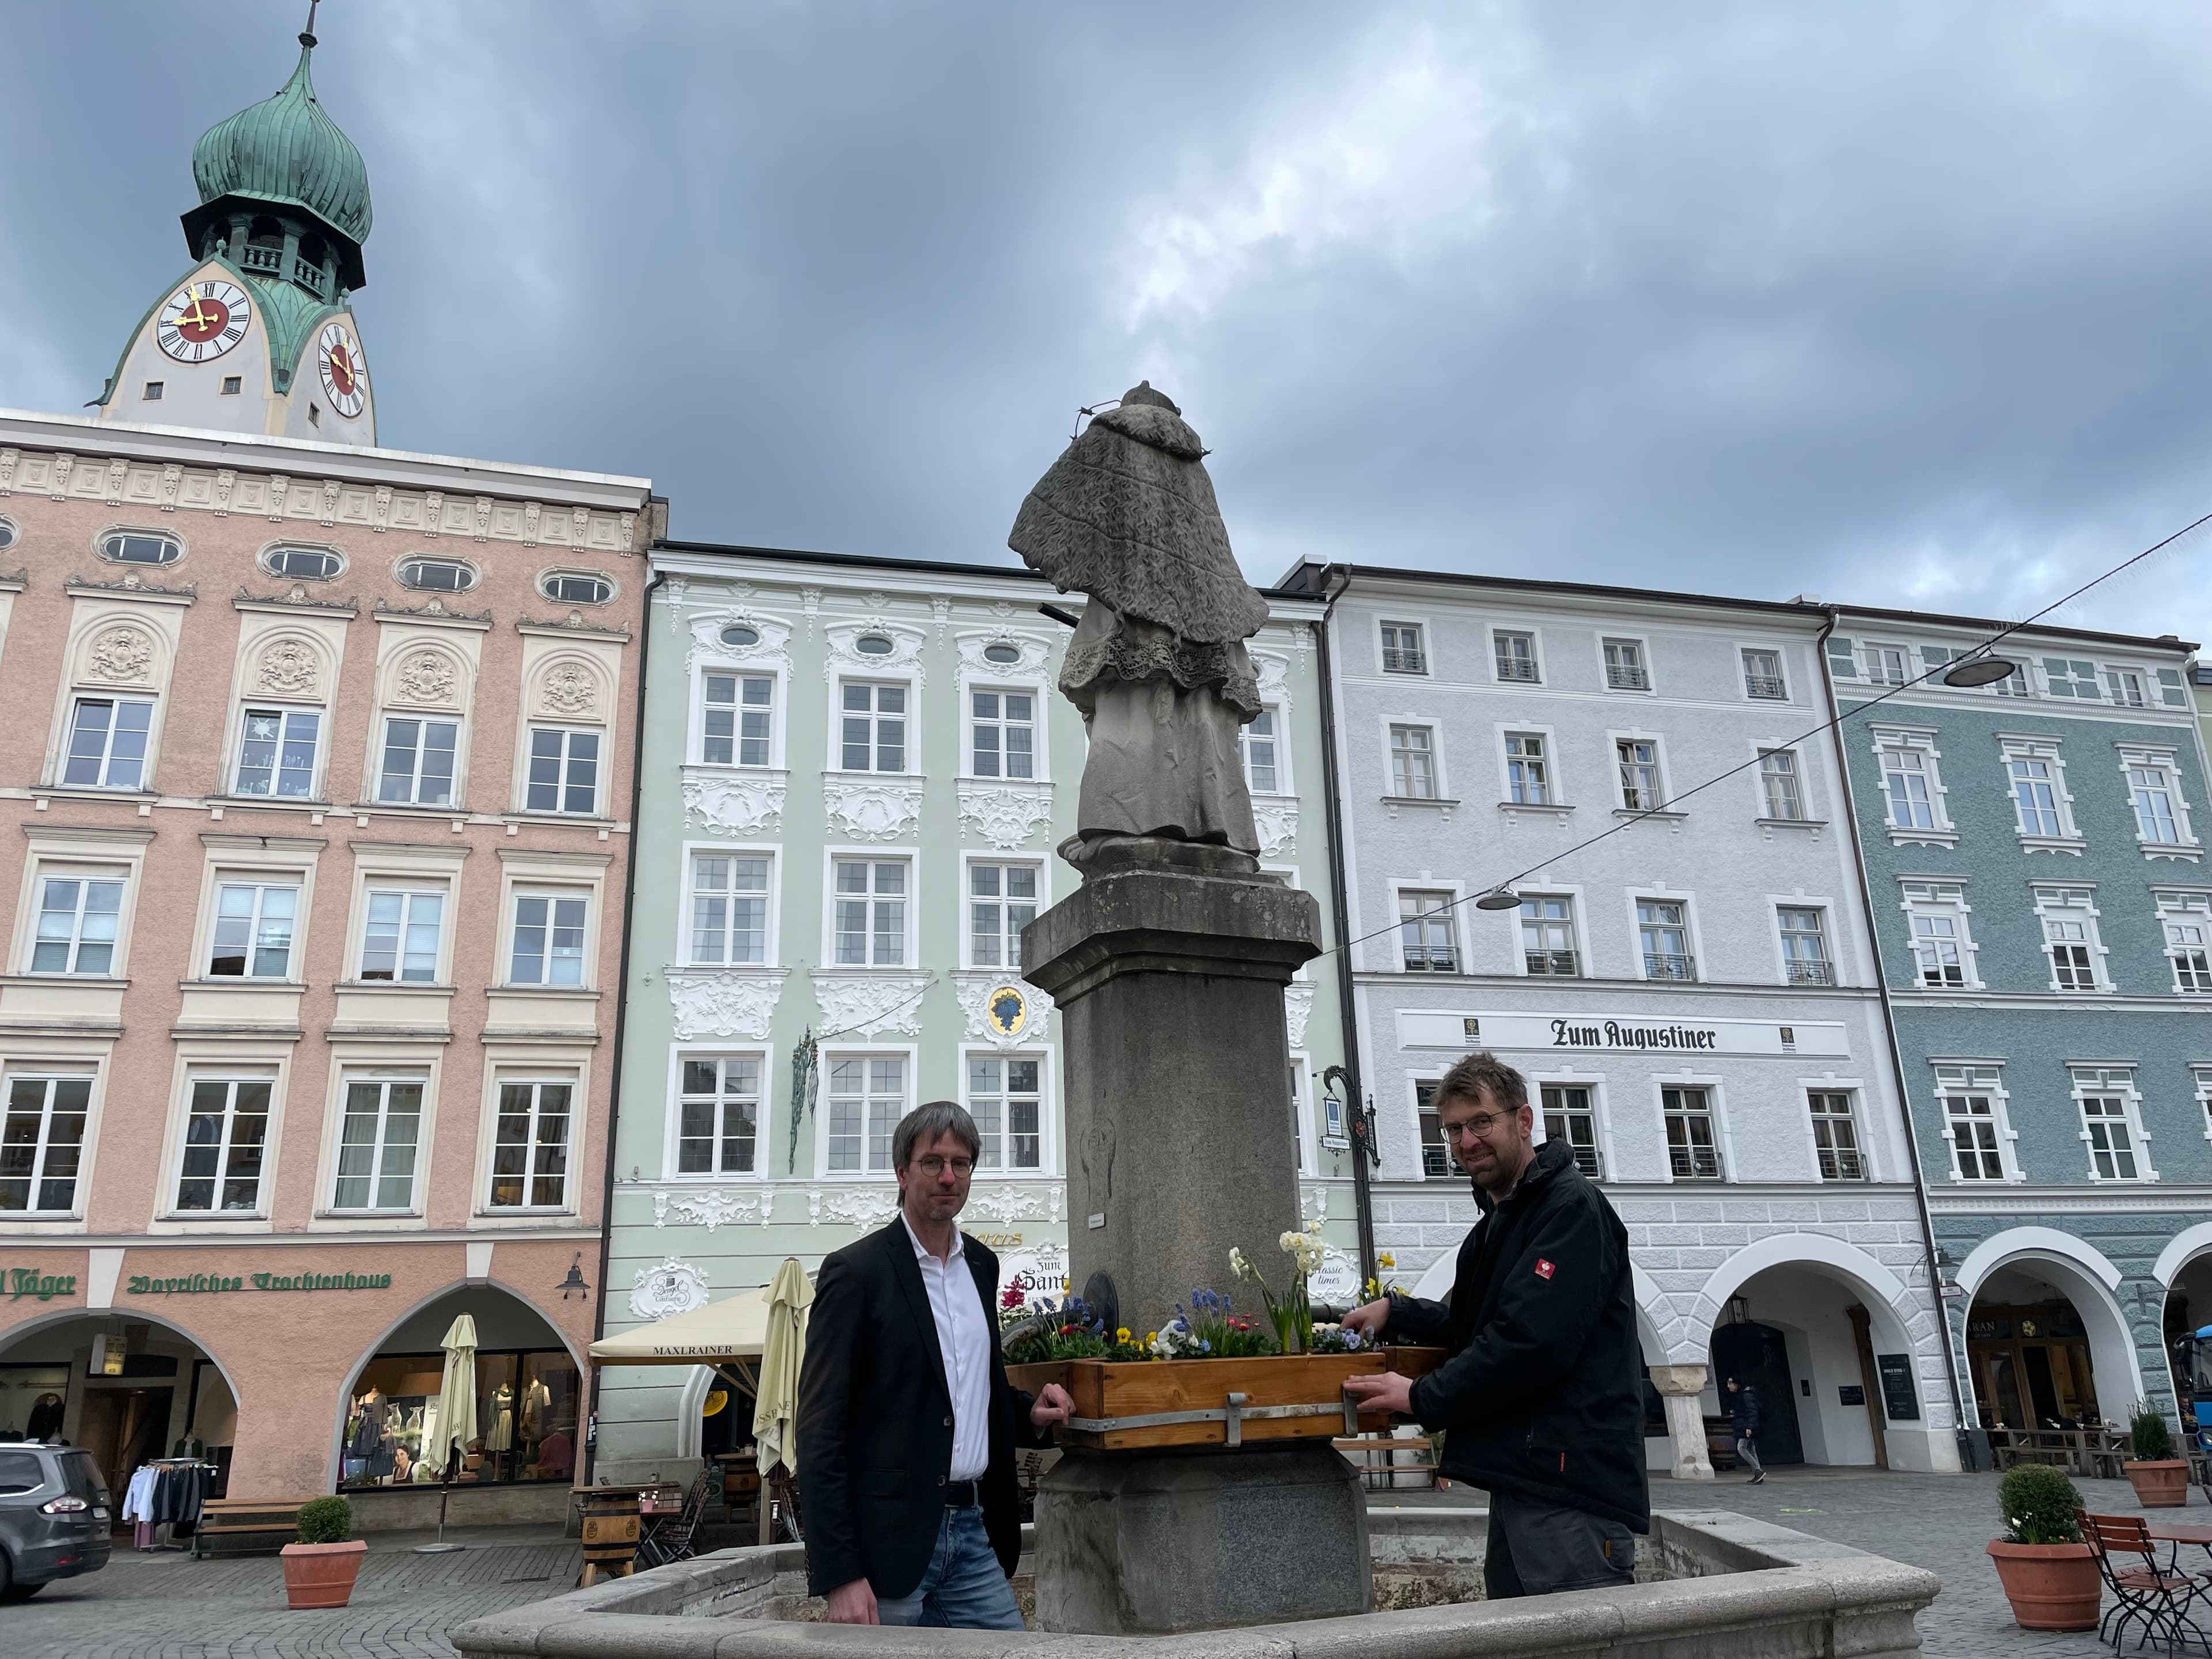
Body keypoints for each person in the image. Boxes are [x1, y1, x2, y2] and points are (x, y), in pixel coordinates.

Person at [1343, 1051, 1648, 1599]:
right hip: (1526, 1477)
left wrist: (1421, 1397)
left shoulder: (1569, 1209)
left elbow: (1531, 1343)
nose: (1466, 1142)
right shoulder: (1501, 1222)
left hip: (1567, 1484)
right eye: (1453, 1129)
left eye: (1481, 1122)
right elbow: (1481, 1326)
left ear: (1523, 1121)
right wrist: (1400, 1313)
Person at [798, 1100, 1074, 1627]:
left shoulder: (981, 1265)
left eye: (961, 1163)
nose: (948, 1176)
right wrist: (839, 1573)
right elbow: (819, 1433)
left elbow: (971, 1390)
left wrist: (1030, 1415)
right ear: (902, 1172)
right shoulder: (856, 1273)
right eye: (933, 1162)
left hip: (974, 1530)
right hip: (890, 1546)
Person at [1727, 1377, 1764, 1484]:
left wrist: (1750, 1427)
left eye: (1731, 1384)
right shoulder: (1739, 1396)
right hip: (1745, 1426)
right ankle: (1758, 1475)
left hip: (1747, 1427)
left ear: (1737, 1385)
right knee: (1752, 1450)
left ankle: (1758, 1471)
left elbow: (1752, 1412)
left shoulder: (1746, 1396)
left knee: (1742, 1448)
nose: (1729, 1386)